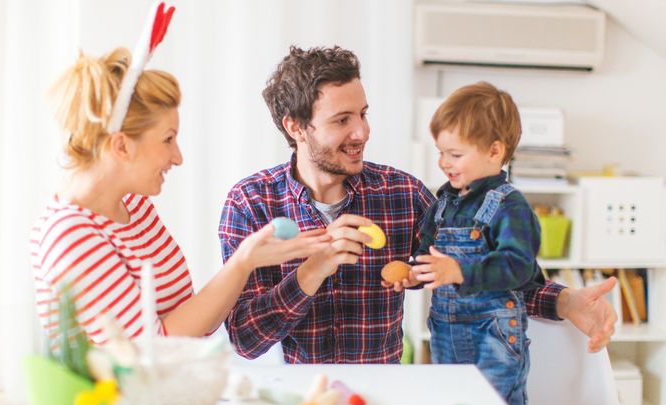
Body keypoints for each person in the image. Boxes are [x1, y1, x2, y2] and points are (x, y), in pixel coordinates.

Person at [218, 45, 616, 364]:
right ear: (295, 126)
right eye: (342, 120)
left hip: (384, 394)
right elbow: (246, 340)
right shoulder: (251, 204)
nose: (362, 132)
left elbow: (482, 271)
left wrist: (566, 301)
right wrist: (314, 269)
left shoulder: (403, 194)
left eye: (363, 113)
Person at [29, 47, 331, 345]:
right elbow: (151, 352)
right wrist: (242, 262)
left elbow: (192, 322)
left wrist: (247, 262)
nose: (178, 157)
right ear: (121, 146)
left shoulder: (134, 206)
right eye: (168, 139)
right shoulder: (70, 235)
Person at [393, 81, 539, 405]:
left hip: (494, 333)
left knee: (489, 402)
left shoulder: (509, 205)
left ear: (494, 151)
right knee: (452, 400)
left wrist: (458, 270)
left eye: (455, 154)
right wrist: (416, 274)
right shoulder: (442, 201)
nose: (444, 163)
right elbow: (425, 252)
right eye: (441, 153)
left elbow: (519, 267)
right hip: (445, 329)